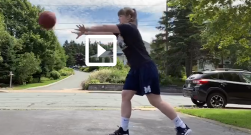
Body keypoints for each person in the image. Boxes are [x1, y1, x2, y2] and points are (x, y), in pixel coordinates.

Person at [72, 7, 192, 135]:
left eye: (121, 16)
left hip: (145, 67)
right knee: (125, 95)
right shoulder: (121, 32)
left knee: (155, 100)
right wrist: (87, 33)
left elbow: (105, 26)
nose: (119, 19)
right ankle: (124, 130)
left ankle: (182, 127)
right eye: (118, 17)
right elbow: (105, 32)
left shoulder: (129, 27)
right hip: (135, 69)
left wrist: (88, 28)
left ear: (129, 17)